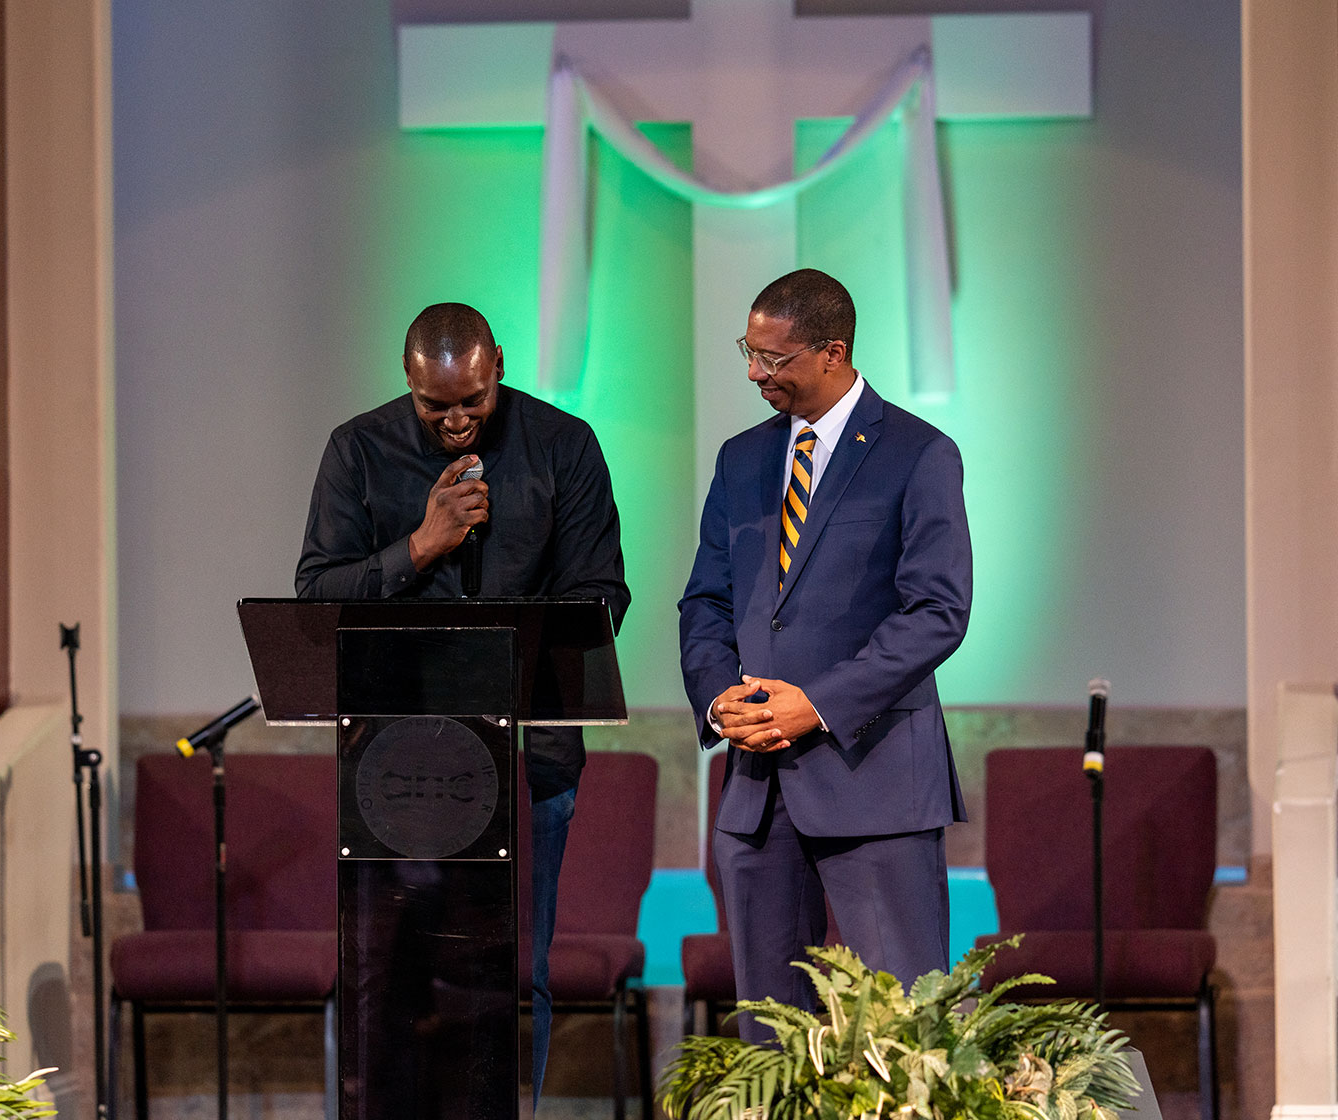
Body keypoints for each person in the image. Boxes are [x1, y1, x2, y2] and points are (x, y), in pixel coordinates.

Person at [296, 301, 629, 1101]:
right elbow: (315, 595)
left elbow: (601, 600)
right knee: (388, 976)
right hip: (393, 764)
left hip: (527, 759)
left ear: (500, 366)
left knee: (517, 971)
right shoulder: (359, 450)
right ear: (408, 381)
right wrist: (420, 547)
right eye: (433, 405)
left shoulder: (564, 446)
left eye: (471, 403)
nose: (454, 421)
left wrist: (496, 656)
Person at [678, 268, 973, 1034]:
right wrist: (719, 699)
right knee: (770, 1048)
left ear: (833, 353)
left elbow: (937, 611)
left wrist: (819, 702)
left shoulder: (919, 453)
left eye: (773, 359)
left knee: (903, 1040)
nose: (754, 372)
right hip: (756, 791)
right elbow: (705, 602)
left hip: (874, 781)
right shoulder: (741, 460)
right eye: (749, 350)